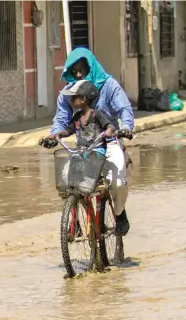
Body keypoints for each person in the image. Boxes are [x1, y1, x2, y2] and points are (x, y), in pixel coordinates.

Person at [47, 47, 133, 236]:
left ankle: (119, 213)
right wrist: (54, 136)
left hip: (108, 143)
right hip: (84, 146)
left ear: (91, 68)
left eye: (82, 70)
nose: (78, 75)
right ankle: (73, 219)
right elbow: (62, 120)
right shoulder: (68, 93)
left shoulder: (109, 85)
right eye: (74, 71)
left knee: (117, 182)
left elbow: (125, 109)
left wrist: (125, 127)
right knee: (64, 177)